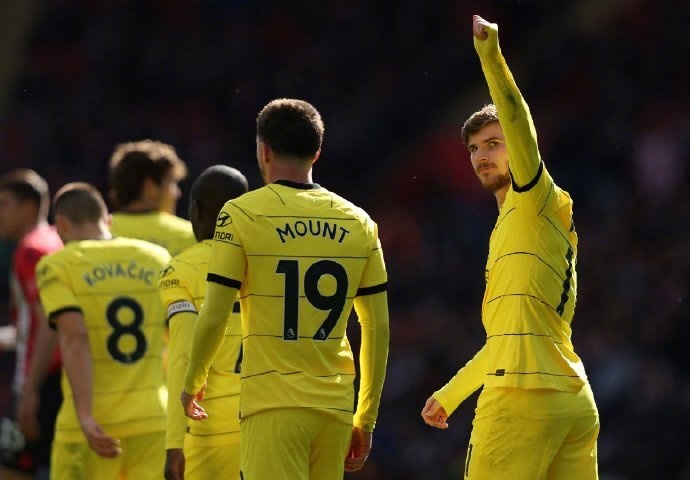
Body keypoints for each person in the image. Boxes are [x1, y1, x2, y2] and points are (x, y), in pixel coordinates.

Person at [421, 16, 599, 479]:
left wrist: (490, 56)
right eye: (474, 149)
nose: (481, 155)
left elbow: (517, 118)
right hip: (571, 398)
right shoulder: (513, 225)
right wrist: (452, 394)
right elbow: (508, 342)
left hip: (521, 401)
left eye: (493, 144)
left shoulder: (534, 197)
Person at [181, 98, 390, 479]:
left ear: (264, 150)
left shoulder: (241, 214)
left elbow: (214, 315)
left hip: (273, 404)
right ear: (317, 153)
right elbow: (378, 327)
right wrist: (366, 417)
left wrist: (193, 380)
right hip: (335, 407)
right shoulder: (359, 222)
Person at [35, 182, 170, 480]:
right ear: (107, 220)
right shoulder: (158, 258)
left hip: (91, 426)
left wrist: (85, 415)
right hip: (153, 418)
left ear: (61, 225)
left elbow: (75, 336)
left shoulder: (57, 265)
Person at [158, 165, 248, 480]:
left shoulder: (180, 270)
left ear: (195, 211)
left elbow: (183, 354)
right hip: (269, 420)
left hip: (210, 429)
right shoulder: (270, 263)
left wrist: (174, 442)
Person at [0, 169, 62, 480]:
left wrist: (31, 389)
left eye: (3, 204)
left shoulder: (32, 250)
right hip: (57, 378)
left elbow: (51, 321)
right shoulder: (55, 241)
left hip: (40, 380)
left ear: (28, 207)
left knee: (11, 471)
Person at [108, 139, 196, 256]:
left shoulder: (100, 232)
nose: (178, 193)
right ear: (150, 187)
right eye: (171, 183)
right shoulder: (190, 236)